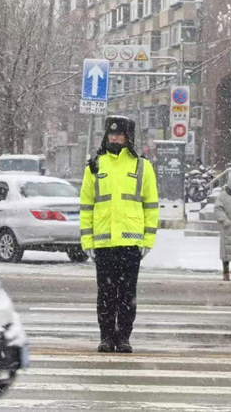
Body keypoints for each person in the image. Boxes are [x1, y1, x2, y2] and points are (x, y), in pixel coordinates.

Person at [80, 115, 159, 353]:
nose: (115, 138)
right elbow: (86, 206)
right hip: (103, 243)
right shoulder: (95, 165)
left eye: (120, 134)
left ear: (128, 138)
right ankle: (106, 336)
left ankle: (123, 337)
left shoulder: (142, 166)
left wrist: (148, 241)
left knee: (126, 295)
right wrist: (87, 241)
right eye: (111, 134)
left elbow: (151, 205)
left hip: (130, 243)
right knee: (105, 294)